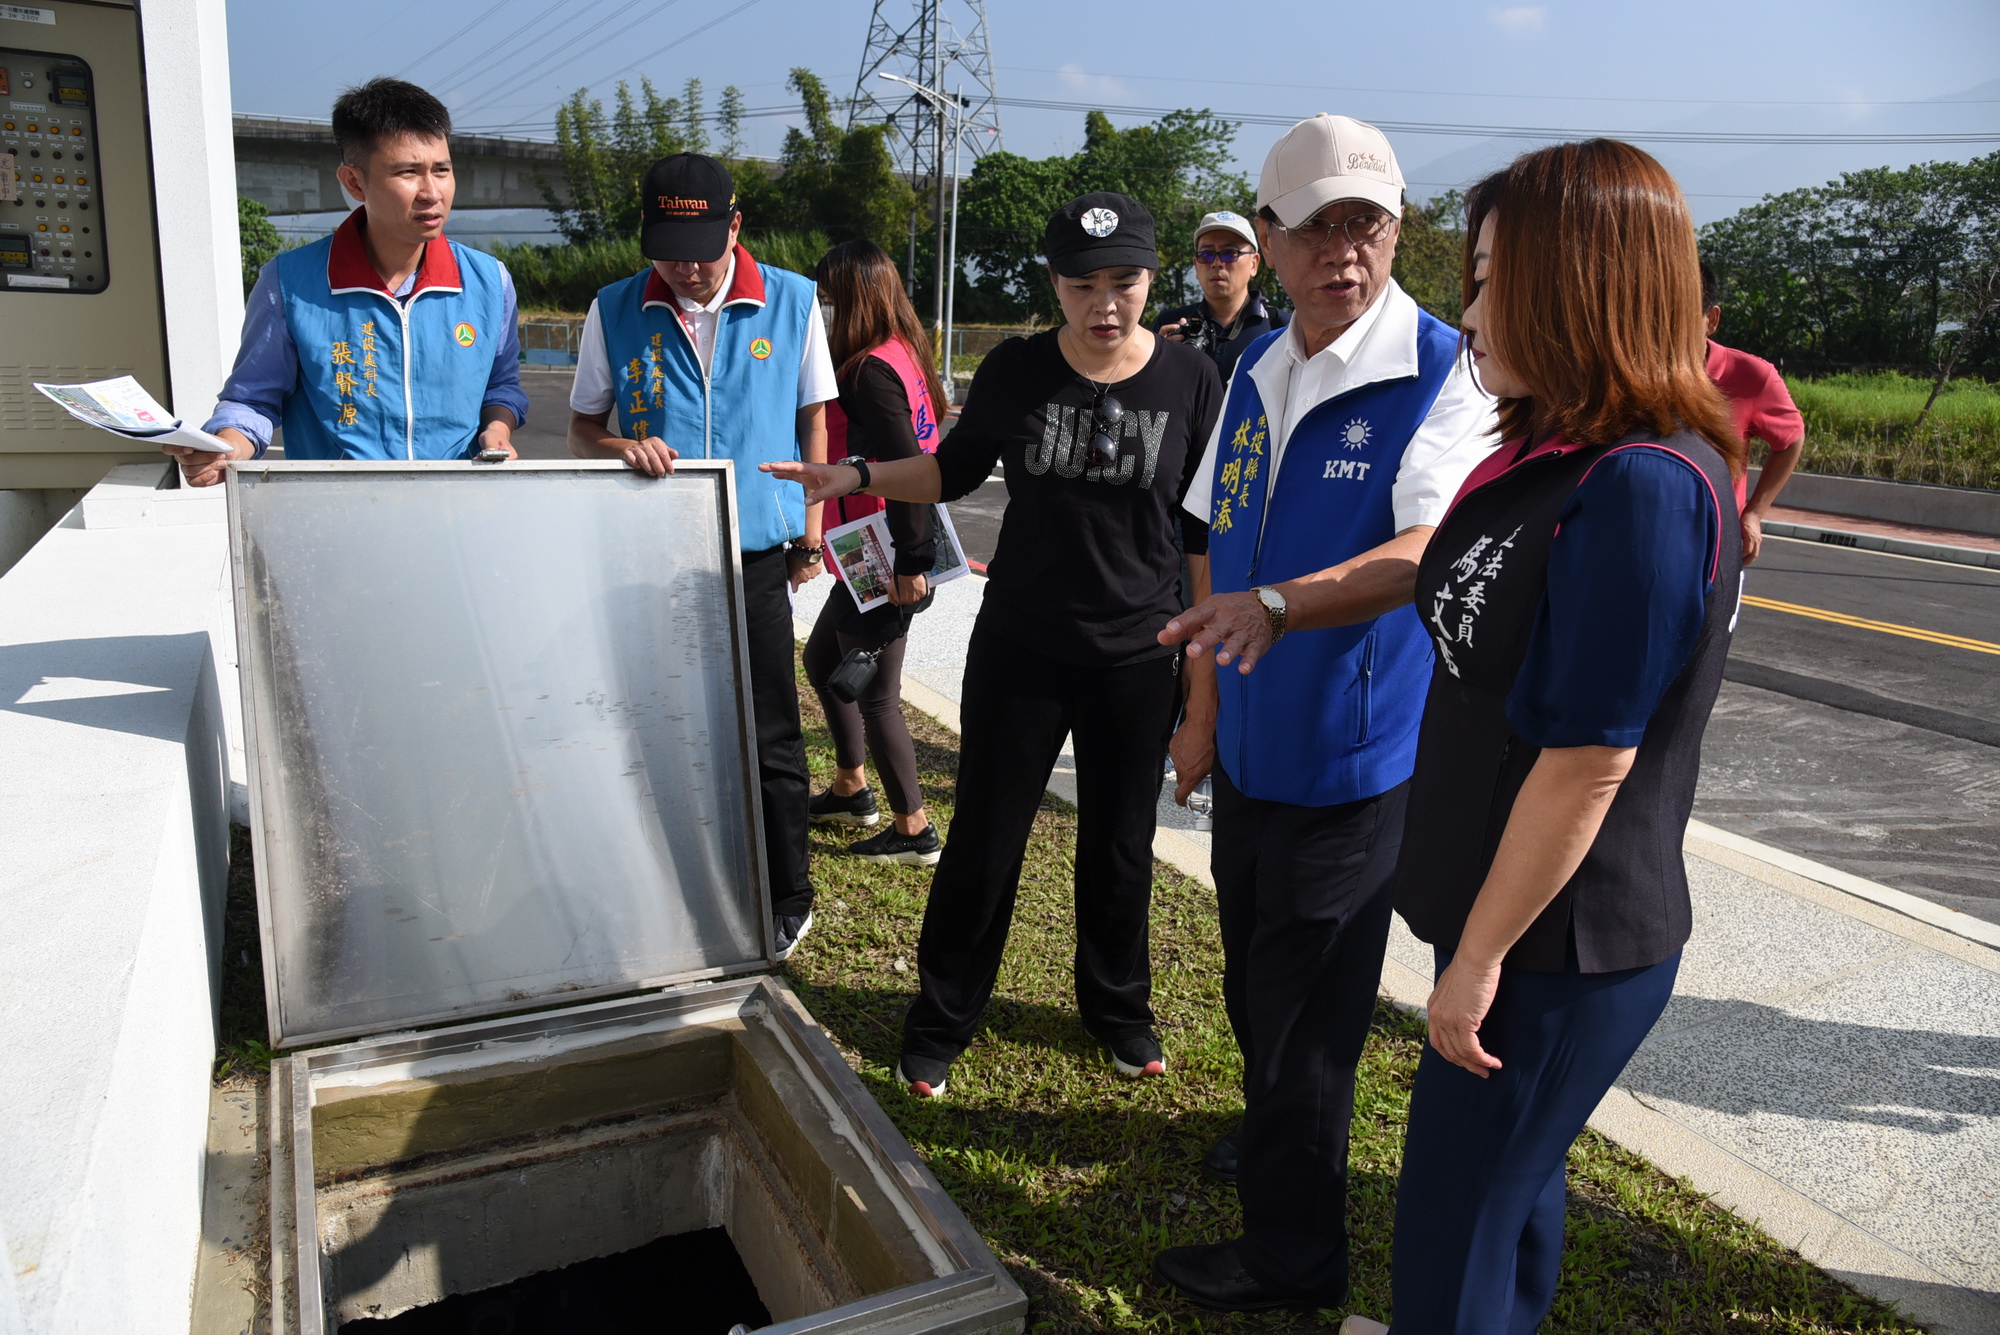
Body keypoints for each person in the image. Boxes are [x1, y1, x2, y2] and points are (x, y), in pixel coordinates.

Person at [1356, 139, 1743, 1335]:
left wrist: (1475, 963)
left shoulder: (1641, 486)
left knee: (1454, 1224)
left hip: (1552, 944)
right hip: (1508, 917)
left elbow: (1586, 762)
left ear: (1579, 289)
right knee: (1507, 1202)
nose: (1469, 316)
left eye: (1490, 282)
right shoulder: (1551, 451)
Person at [763, 193, 1223, 1100]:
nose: (1105, 303)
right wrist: (851, 472)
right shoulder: (1018, 367)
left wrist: (1200, 688)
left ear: (1150, 276)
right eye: (1082, 284)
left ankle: (1119, 1008)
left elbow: (1202, 535)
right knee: (984, 838)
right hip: (1023, 648)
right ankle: (943, 1017)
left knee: (1121, 845)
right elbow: (951, 468)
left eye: (1124, 281)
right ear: (1053, 283)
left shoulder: (1192, 379)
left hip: (1138, 654)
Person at [1149, 114, 1495, 1315]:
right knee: (1255, 982)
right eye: (1316, 228)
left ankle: (1293, 1258)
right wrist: (1199, 711)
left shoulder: (1443, 370)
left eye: (1368, 225)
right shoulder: (1255, 364)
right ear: (1271, 237)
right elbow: (1213, 538)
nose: (1344, 252)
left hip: (1351, 761)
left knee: (1304, 1022)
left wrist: (1283, 606)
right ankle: (1275, 1144)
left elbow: (1426, 547)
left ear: (1397, 231)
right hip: (1250, 744)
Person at [566, 153, 835, 961]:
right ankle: (677, 880)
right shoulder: (615, 307)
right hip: (652, 553)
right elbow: (583, 427)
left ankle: (787, 893)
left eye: (701, 251)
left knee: (770, 729)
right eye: (668, 251)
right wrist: (623, 447)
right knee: (665, 722)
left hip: (753, 555)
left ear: (735, 227)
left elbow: (814, 420)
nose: (686, 268)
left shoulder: (791, 301)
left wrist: (810, 532)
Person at [168, 78, 527, 484]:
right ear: (354, 182)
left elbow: (501, 386)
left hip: (457, 506)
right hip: (336, 510)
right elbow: (253, 400)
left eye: (441, 170)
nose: (431, 192)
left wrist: (497, 429)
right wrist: (226, 446)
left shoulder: (489, 281)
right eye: (408, 172)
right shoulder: (289, 283)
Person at [802, 238, 944, 867]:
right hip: (872, 547)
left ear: (853, 300)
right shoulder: (902, 351)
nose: (822, 311)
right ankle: (850, 787)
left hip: (886, 550)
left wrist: (912, 562)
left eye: (828, 299)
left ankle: (913, 829)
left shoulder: (868, 370)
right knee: (820, 660)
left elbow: (909, 467)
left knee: (877, 695)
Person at [1702, 261, 1805, 564]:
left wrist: (1754, 513)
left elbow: (1791, 441)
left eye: (1678, 316)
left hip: (1715, 549)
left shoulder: (1752, 376)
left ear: (1711, 319)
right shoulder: (1634, 375)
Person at [1154, 210, 1288, 381]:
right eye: (1206, 254)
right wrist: (1158, 357)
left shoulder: (1281, 327)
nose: (1217, 263)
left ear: (1254, 264)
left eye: (1230, 253)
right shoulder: (1169, 325)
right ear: (1196, 265)